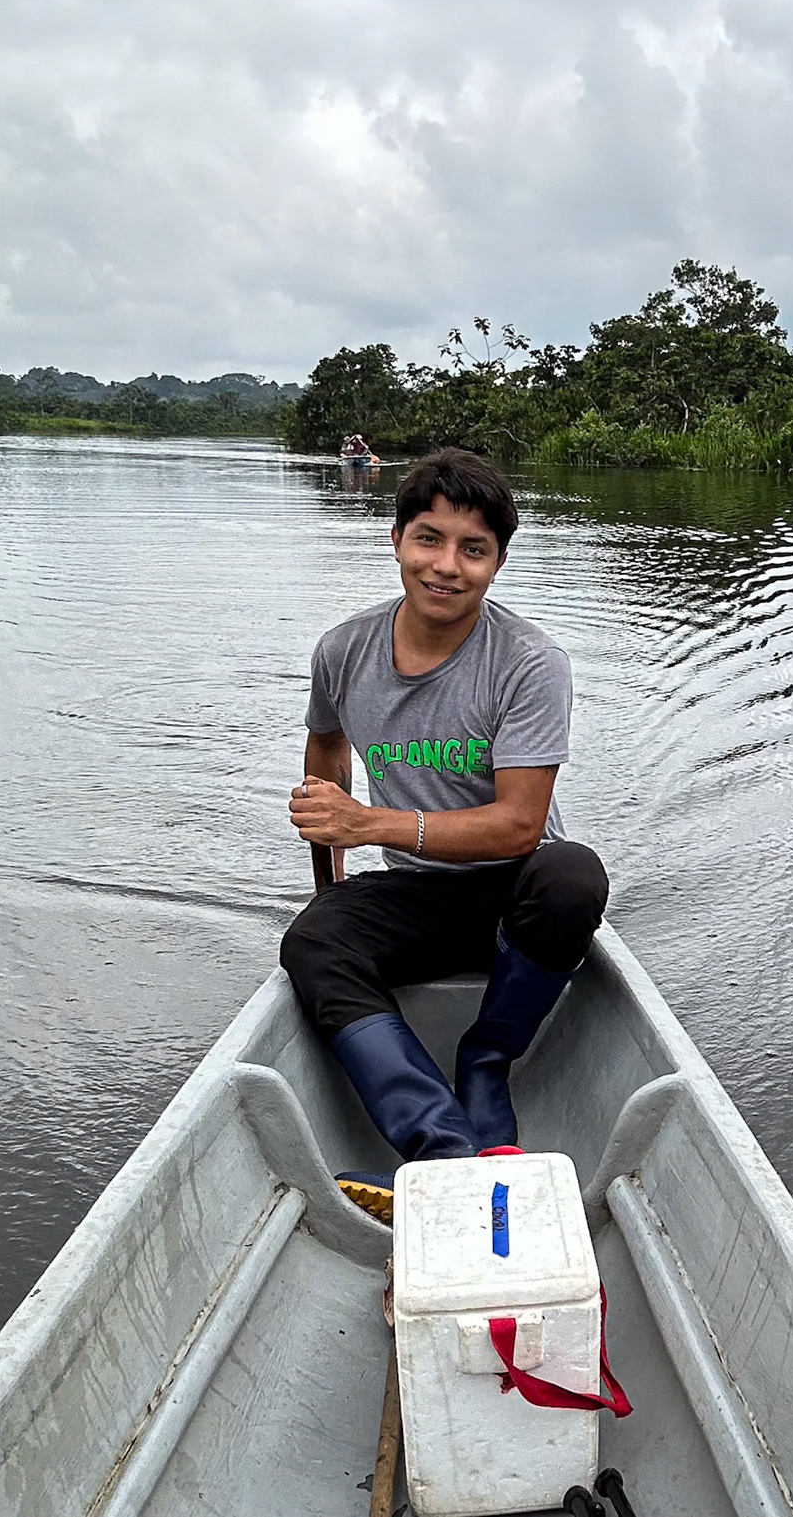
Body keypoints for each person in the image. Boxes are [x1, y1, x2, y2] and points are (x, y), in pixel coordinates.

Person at [280, 447, 608, 1208]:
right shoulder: (344, 650)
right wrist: (330, 877)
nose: (447, 567)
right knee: (314, 941)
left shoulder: (529, 662)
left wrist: (369, 823)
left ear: (497, 563)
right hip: (420, 894)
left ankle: (485, 1060)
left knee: (573, 876)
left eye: (473, 549)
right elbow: (326, 752)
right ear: (397, 538)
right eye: (429, 538)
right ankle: (445, 1145)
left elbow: (520, 826)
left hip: (514, 895)